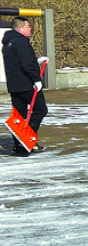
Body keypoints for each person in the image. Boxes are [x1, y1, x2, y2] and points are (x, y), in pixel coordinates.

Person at [2, 17, 48, 155]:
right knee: (40, 109)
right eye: (28, 26)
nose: (30, 28)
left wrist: (36, 61)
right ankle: (27, 139)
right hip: (26, 85)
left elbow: (19, 63)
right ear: (19, 28)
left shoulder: (8, 44)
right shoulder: (21, 42)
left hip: (14, 86)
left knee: (20, 116)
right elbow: (26, 63)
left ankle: (19, 145)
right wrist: (36, 79)